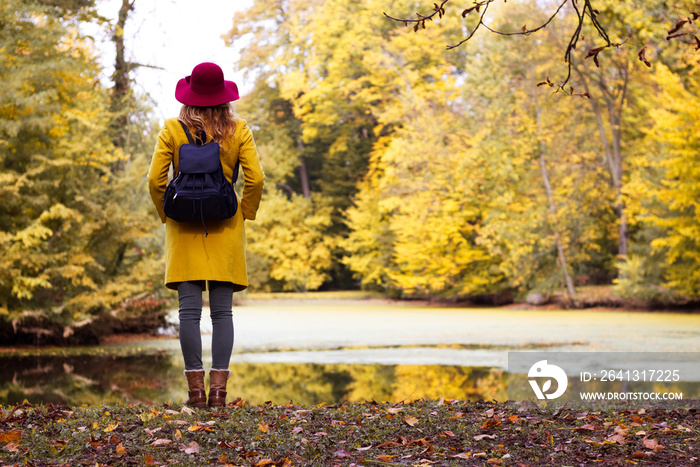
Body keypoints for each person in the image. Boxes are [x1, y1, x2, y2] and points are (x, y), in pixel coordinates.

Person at [147, 62, 264, 408]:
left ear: (190, 96)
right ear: (224, 97)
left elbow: (155, 181)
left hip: (183, 228)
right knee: (223, 313)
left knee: (188, 313)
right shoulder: (238, 129)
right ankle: (218, 394)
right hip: (226, 226)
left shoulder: (172, 128)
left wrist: (167, 214)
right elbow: (255, 180)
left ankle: (195, 393)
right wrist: (245, 213)